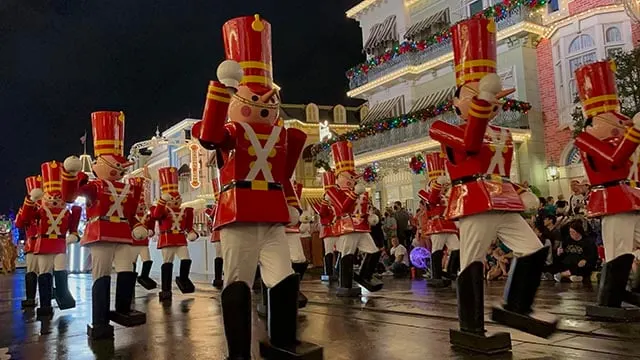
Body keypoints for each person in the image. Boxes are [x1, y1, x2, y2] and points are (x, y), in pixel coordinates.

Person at [191, 14, 322, 359]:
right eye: (254, 98)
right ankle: (239, 353)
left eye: (269, 99)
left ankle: (283, 340)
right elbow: (209, 136)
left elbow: (285, 175)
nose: (263, 106)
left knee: (282, 277)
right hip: (239, 212)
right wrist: (220, 89)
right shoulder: (232, 132)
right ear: (238, 99)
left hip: (274, 214)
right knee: (238, 281)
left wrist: (292, 201)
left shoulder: (286, 135)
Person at [428, 18, 556, 353]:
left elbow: (501, 169)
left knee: (534, 249)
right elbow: (469, 145)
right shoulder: (443, 128)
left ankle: (514, 307)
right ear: (457, 102)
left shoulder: (503, 133)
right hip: (471, 200)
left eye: (492, 95)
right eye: (474, 94)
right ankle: (470, 324)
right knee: (471, 260)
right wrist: (482, 102)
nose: (489, 101)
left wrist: (520, 191)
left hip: (502, 200)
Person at [63, 111, 149, 340]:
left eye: (121, 167)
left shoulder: (128, 189)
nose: (119, 171)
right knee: (101, 275)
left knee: (127, 270)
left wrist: (138, 224)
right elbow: (71, 196)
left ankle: (122, 308)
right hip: (100, 231)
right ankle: (99, 319)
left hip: (122, 232)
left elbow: (131, 214)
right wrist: (70, 175)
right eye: (116, 166)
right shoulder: (93, 186)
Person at [572, 61, 640, 320]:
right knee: (618, 251)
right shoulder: (586, 140)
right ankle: (609, 299)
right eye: (614, 118)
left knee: (621, 249)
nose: (621, 123)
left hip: (631, 197)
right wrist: (632, 135)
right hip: (612, 199)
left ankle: (626, 291)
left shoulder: (623, 139)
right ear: (593, 121)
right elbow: (614, 160)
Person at [23, 161, 82, 319]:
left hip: (60, 244)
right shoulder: (39, 211)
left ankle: (62, 296)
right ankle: (45, 304)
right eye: (51, 196)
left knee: (61, 271)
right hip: (43, 245)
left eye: (58, 196)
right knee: (44, 274)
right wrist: (30, 200)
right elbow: (24, 219)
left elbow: (74, 230)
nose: (55, 199)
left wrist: (73, 236)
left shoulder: (69, 212)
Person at [151, 167, 198, 302]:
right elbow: (156, 215)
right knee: (167, 263)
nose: (176, 200)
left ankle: (183, 279)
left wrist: (191, 232)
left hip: (180, 239)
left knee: (186, 259)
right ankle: (166, 289)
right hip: (167, 238)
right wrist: (162, 201)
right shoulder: (163, 209)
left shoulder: (186, 211)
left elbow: (188, 226)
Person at [15, 175, 42, 309]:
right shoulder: (26, 208)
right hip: (32, 244)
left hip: (46, 244)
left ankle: (46, 299)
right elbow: (19, 223)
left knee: (45, 272)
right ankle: (30, 297)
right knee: (31, 271)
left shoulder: (46, 205)